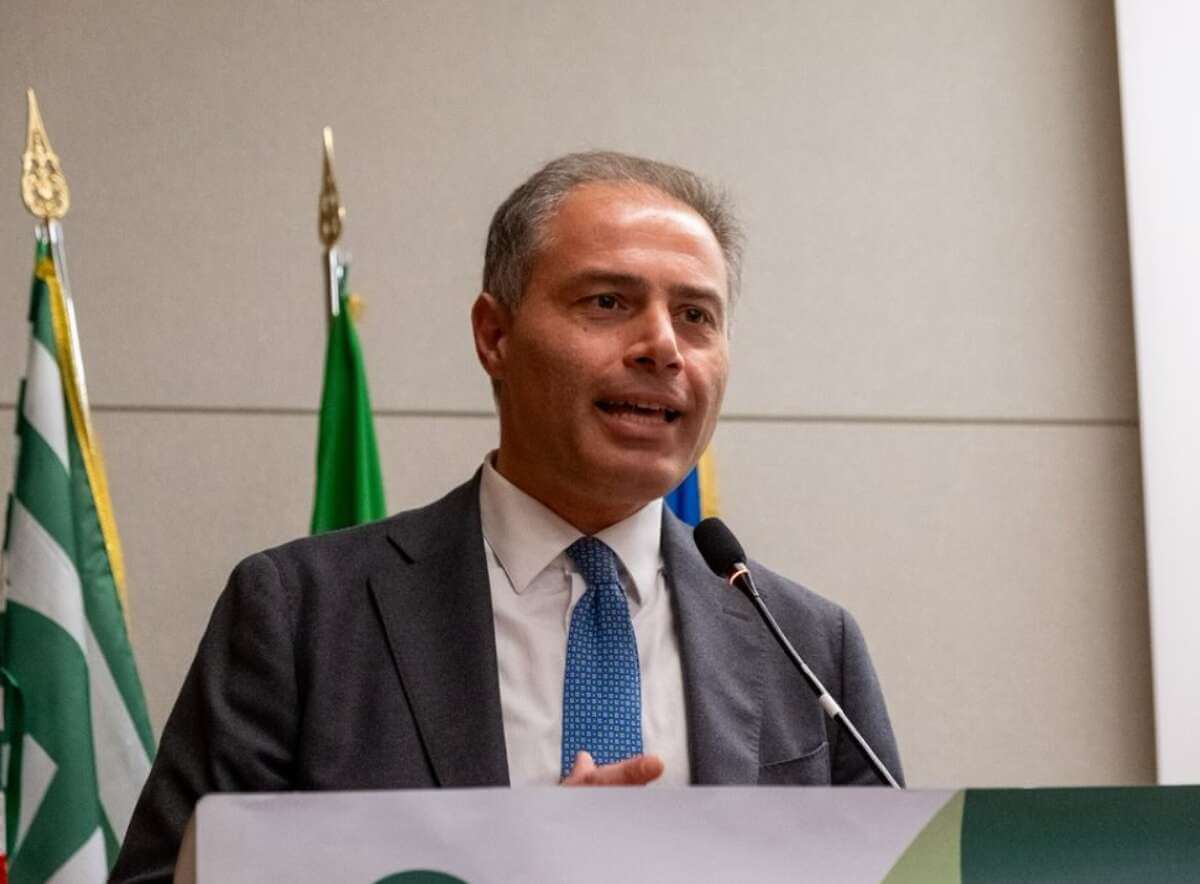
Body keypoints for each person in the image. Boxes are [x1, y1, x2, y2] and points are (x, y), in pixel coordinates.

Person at [111, 151, 901, 881]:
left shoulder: (807, 643)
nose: (663, 346)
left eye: (696, 315)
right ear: (495, 336)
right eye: (608, 301)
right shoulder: (300, 615)